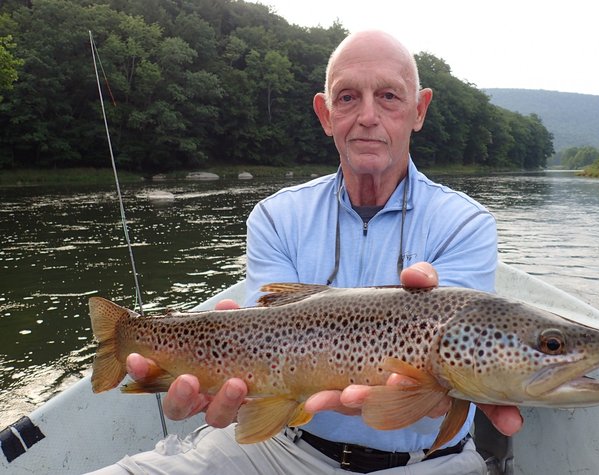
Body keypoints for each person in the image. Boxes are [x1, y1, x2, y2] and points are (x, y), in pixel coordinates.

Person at [90, 30, 522, 474]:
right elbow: (264, 332)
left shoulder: (466, 222)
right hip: (282, 447)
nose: (368, 116)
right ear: (325, 113)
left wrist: (434, 391)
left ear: (419, 110)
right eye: (348, 97)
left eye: (389, 96)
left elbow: (460, 364)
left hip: (427, 462)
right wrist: (215, 374)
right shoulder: (276, 215)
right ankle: (125, 334)